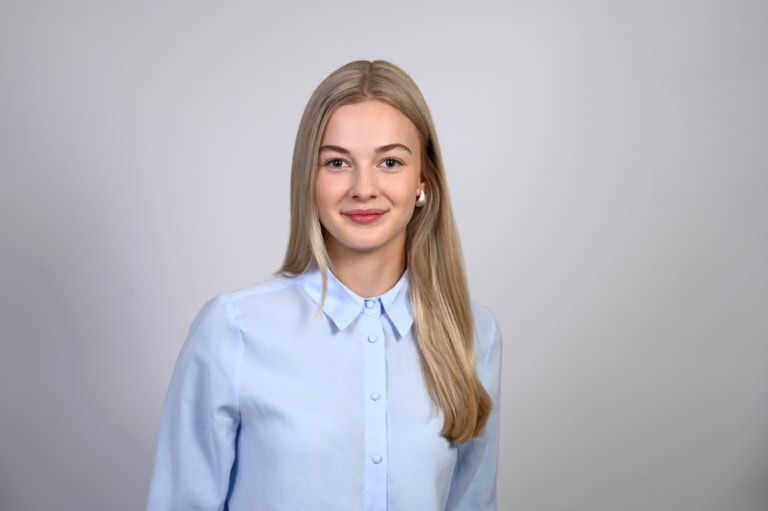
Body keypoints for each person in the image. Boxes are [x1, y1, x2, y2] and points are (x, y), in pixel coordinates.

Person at [146, 60, 502, 511]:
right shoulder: (232, 330)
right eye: (337, 163)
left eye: (390, 162)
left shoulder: (474, 334)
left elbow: (472, 503)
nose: (363, 188)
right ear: (309, 180)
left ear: (422, 180)